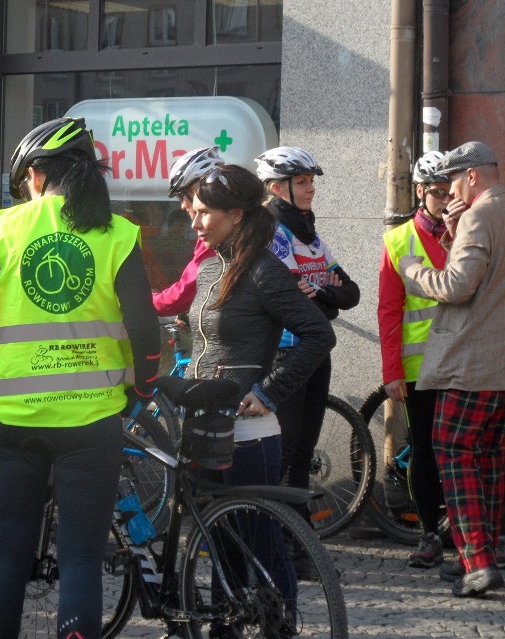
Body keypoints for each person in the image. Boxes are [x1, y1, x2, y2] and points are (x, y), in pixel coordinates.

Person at [0, 116, 160, 639]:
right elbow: (145, 329)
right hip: (93, 421)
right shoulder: (119, 233)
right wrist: (142, 390)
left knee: (9, 553)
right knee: (83, 557)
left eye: (25, 181)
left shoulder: (7, 227)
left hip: (13, 418)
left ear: (38, 175)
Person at [380, 151, 505, 569]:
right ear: (421, 193)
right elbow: (388, 310)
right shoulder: (400, 239)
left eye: (450, 186)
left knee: (465, 454)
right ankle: (430, 536)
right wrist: (391, 371)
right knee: (429, 450)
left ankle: (472, 549)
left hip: (464, 360)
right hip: (423, 364)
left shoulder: (474, 219)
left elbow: (491, 281)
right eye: (437, 191)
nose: (446, 195)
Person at [185, 163, 335, 614]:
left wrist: (269, 392)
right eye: (193, 212)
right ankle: (224, 624)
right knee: (221, 539)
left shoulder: (263, 269)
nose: (194, 222)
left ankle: (278, 626)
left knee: (262, 542)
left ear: (236, 214)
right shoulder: (213, 266)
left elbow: (318, 334)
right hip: (203, 422)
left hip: (248, 431)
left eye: (204, 213)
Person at [254, 146, 360, 528]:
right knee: (283, 451)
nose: (311, 188)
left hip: (317, 348)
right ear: (277, 188)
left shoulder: (310, 235)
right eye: (301, 182)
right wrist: (326, 298)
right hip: (287, 352)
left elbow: (351, 293)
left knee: (303, 453)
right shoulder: (271, 232)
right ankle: (273, 534)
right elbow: (294, 299)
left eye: (311, 181)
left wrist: (325, 296)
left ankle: (297, 533)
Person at [152, 146, 223, 316]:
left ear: (198, 190)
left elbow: (186, 291)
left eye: (182, 195)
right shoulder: (231, 223)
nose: (182, 205)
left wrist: (148, 301)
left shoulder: (215, 232)